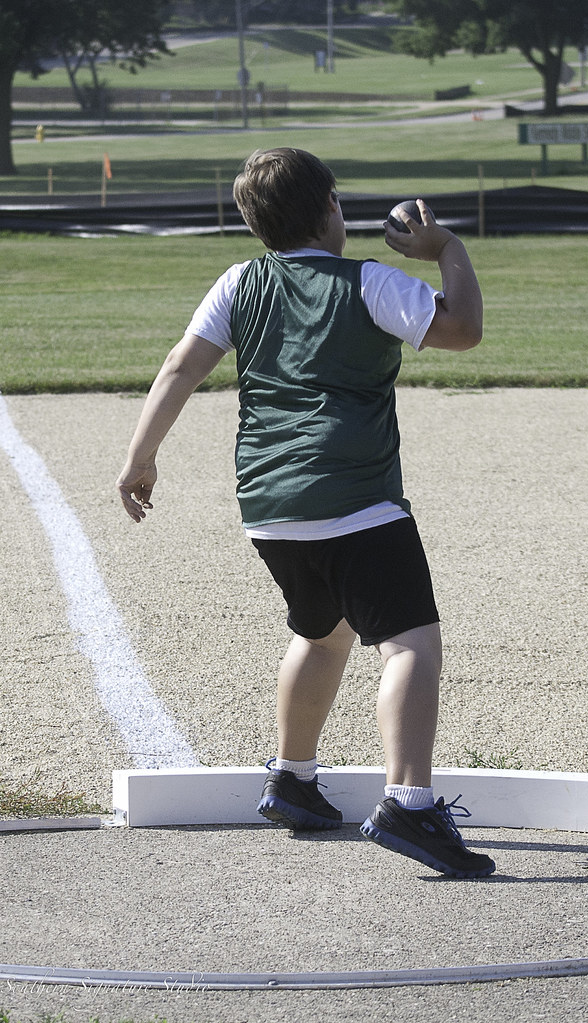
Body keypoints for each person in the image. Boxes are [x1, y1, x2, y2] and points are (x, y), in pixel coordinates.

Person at [117, 147, 495, 879]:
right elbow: (462, 329)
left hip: (269, 503)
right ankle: (410, 804)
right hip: (353, 495)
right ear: (330, 208)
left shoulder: (239, 281)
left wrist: (141, 457)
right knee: (409, 643)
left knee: (322, 635)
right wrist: (446, 248)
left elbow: (180, 366)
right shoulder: (368, 282)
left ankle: (293, 779)